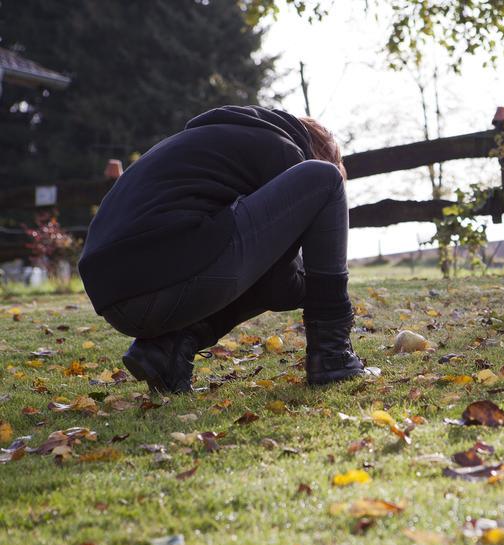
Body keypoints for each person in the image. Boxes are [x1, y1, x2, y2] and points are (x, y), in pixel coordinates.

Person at [78, 105, 364, 393]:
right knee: (325, 178)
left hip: (119, 297)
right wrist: (323, 292)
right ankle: (332, 355)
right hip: (164, 278)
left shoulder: (222, 144)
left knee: (249, 253)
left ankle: (168, 349)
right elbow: (276, 287)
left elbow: (266, 274)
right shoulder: (284, 151)